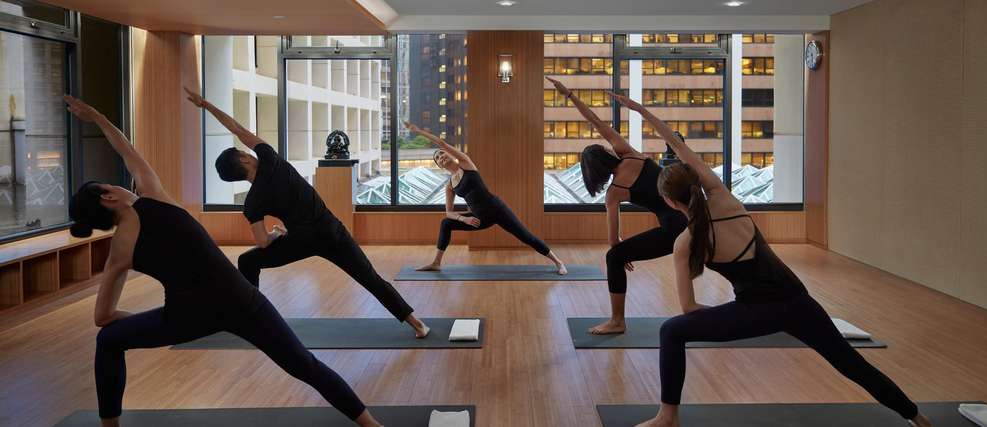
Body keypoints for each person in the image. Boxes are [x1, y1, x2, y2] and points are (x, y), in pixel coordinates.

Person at [607, 91, 934, 427]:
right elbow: (679, 148)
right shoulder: (724, 198)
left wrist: (736, 320)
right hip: (799, 301)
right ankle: (917, 417)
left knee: (672, 331)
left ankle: (667, 416)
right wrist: (640, 110)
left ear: (669, 202)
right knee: (851, 363)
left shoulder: (685, 242)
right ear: (696, 184)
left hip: (753, 311)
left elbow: (689, 310)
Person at [63, 95, 384, 427]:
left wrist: (161, 320)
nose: (121, 183)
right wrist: (98, 116)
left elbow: (103, 317)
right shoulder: (153, 196)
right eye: (113, 184)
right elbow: (126, 150)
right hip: (241, 302)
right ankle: (371, 425)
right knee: (306, 365)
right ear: (109, 195)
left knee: (109, 341)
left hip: (186, 317)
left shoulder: (119, 251)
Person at [185, 88, 428, 338]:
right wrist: (207, 105)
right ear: (246, 161)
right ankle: (416, 323)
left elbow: (261, 242)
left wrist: (276, 235)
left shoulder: (252, 203)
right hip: (330, 231)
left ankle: (251, 319)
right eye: (244, 153)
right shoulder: (270, 159)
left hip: (301, 240)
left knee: (247, 261)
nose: (248, 153)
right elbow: (237, 128)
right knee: (370, 279)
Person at [549, 77, 688, 334]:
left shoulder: (614, 194)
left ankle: (617, 321)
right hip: (690, 215)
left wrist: (623, 251)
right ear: (607, 154)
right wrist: (568, 94)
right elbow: (596, 122)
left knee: (614, 257)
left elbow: (614, 240)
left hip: (674, 229)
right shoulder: (629, 152)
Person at [404, 121, 568, 275]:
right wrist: (464, 219)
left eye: (442, 154)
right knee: (446, 223)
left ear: (449, 154)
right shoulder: (449, 186)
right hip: (478, 218)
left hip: (497, 209)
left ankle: (558, 262)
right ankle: (436, 263)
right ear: (439, 166)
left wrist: (418, 131)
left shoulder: (465, 163)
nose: (441, 157)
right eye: (438, 158)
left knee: (526, 237)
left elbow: (442, 143)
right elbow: (449, 213)